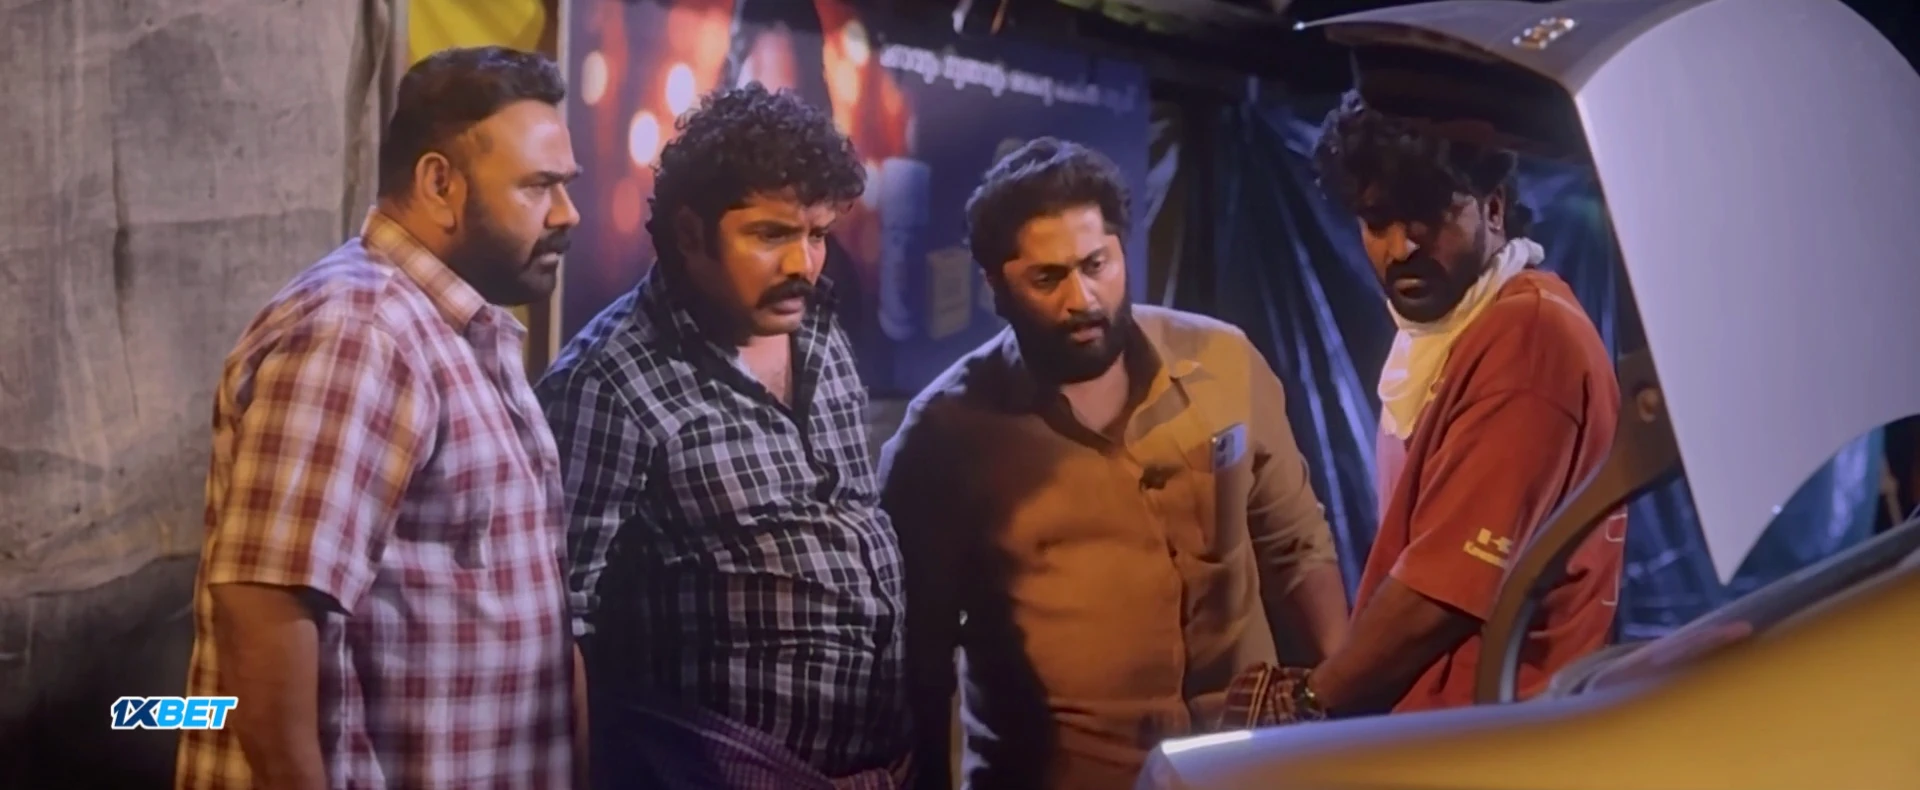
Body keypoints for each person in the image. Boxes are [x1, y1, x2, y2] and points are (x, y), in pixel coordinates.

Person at [879, 138, 1351, 790]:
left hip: (1242, 770)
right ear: (995, 287)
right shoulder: (943, 437)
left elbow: (1296, 545)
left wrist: (1346, 712)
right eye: (1047, 279)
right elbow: (918, 661)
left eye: (1096, 264)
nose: (1082, 299)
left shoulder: (1223, 361)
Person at [176, 46, 585, 789]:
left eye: (566, 185)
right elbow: (265, 605)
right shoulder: (361, 333)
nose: (567, 214)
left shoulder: (454, 331)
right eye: (538, 186)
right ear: (439, 183)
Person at [536, 84, 909, 789]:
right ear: (689, 233)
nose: (803, 264)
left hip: (881, 767)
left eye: (817, 235)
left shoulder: (820, 328)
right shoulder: (607, 381)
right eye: (771, 235)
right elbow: (559, 629)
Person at [1219, 91, 1628, 727]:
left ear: (1493, 207)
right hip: (1452, 729)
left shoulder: (1527, 337)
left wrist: (1310, 700)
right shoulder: (1450, 333)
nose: (1401, 246)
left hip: (1486, 738)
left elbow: (1441, 594)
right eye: (1377, 220)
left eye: (1428, 214)